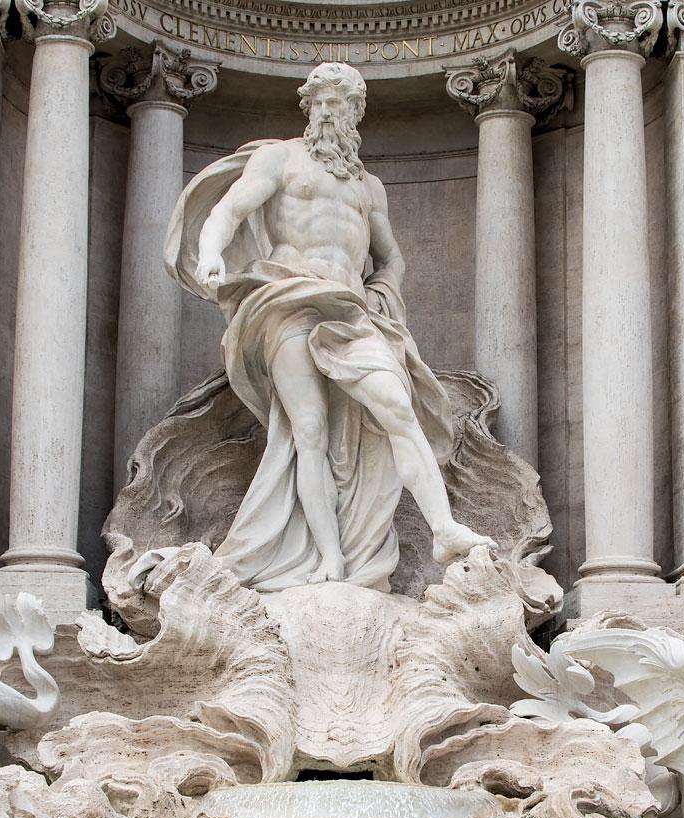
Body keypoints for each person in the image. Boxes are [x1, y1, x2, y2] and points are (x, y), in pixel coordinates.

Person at [164, 62, 492, 592]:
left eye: (337, 103)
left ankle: (444, 528)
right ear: (306, 107)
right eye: (317, 101)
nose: (325, 112)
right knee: (308, 430)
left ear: (356, 113)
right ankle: (330, 559)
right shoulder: (280, 158)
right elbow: (227, 211)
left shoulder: (369, 187)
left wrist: (382, 296)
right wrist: (210, 255)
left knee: (397, 407)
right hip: (287, 300)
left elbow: (391, 259)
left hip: (352, 310)